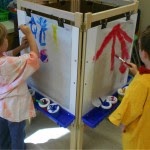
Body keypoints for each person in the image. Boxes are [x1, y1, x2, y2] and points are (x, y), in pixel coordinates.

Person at [109, 26, 150, 149]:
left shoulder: (141, 83)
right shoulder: (143, 80)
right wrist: (137, 73)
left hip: (140, 138)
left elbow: (131, 107)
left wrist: (122, 121)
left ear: (143, 54)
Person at [0, 23, 40, 149]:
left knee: (3, 135)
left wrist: (21, 47)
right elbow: (34, 59)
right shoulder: (8, 63)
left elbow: (7, 54)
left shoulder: (5, 60)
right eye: (5, 37)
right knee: (17, 136)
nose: (7, 39)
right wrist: (29, 34)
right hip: (14, 109)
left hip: (2, 108)